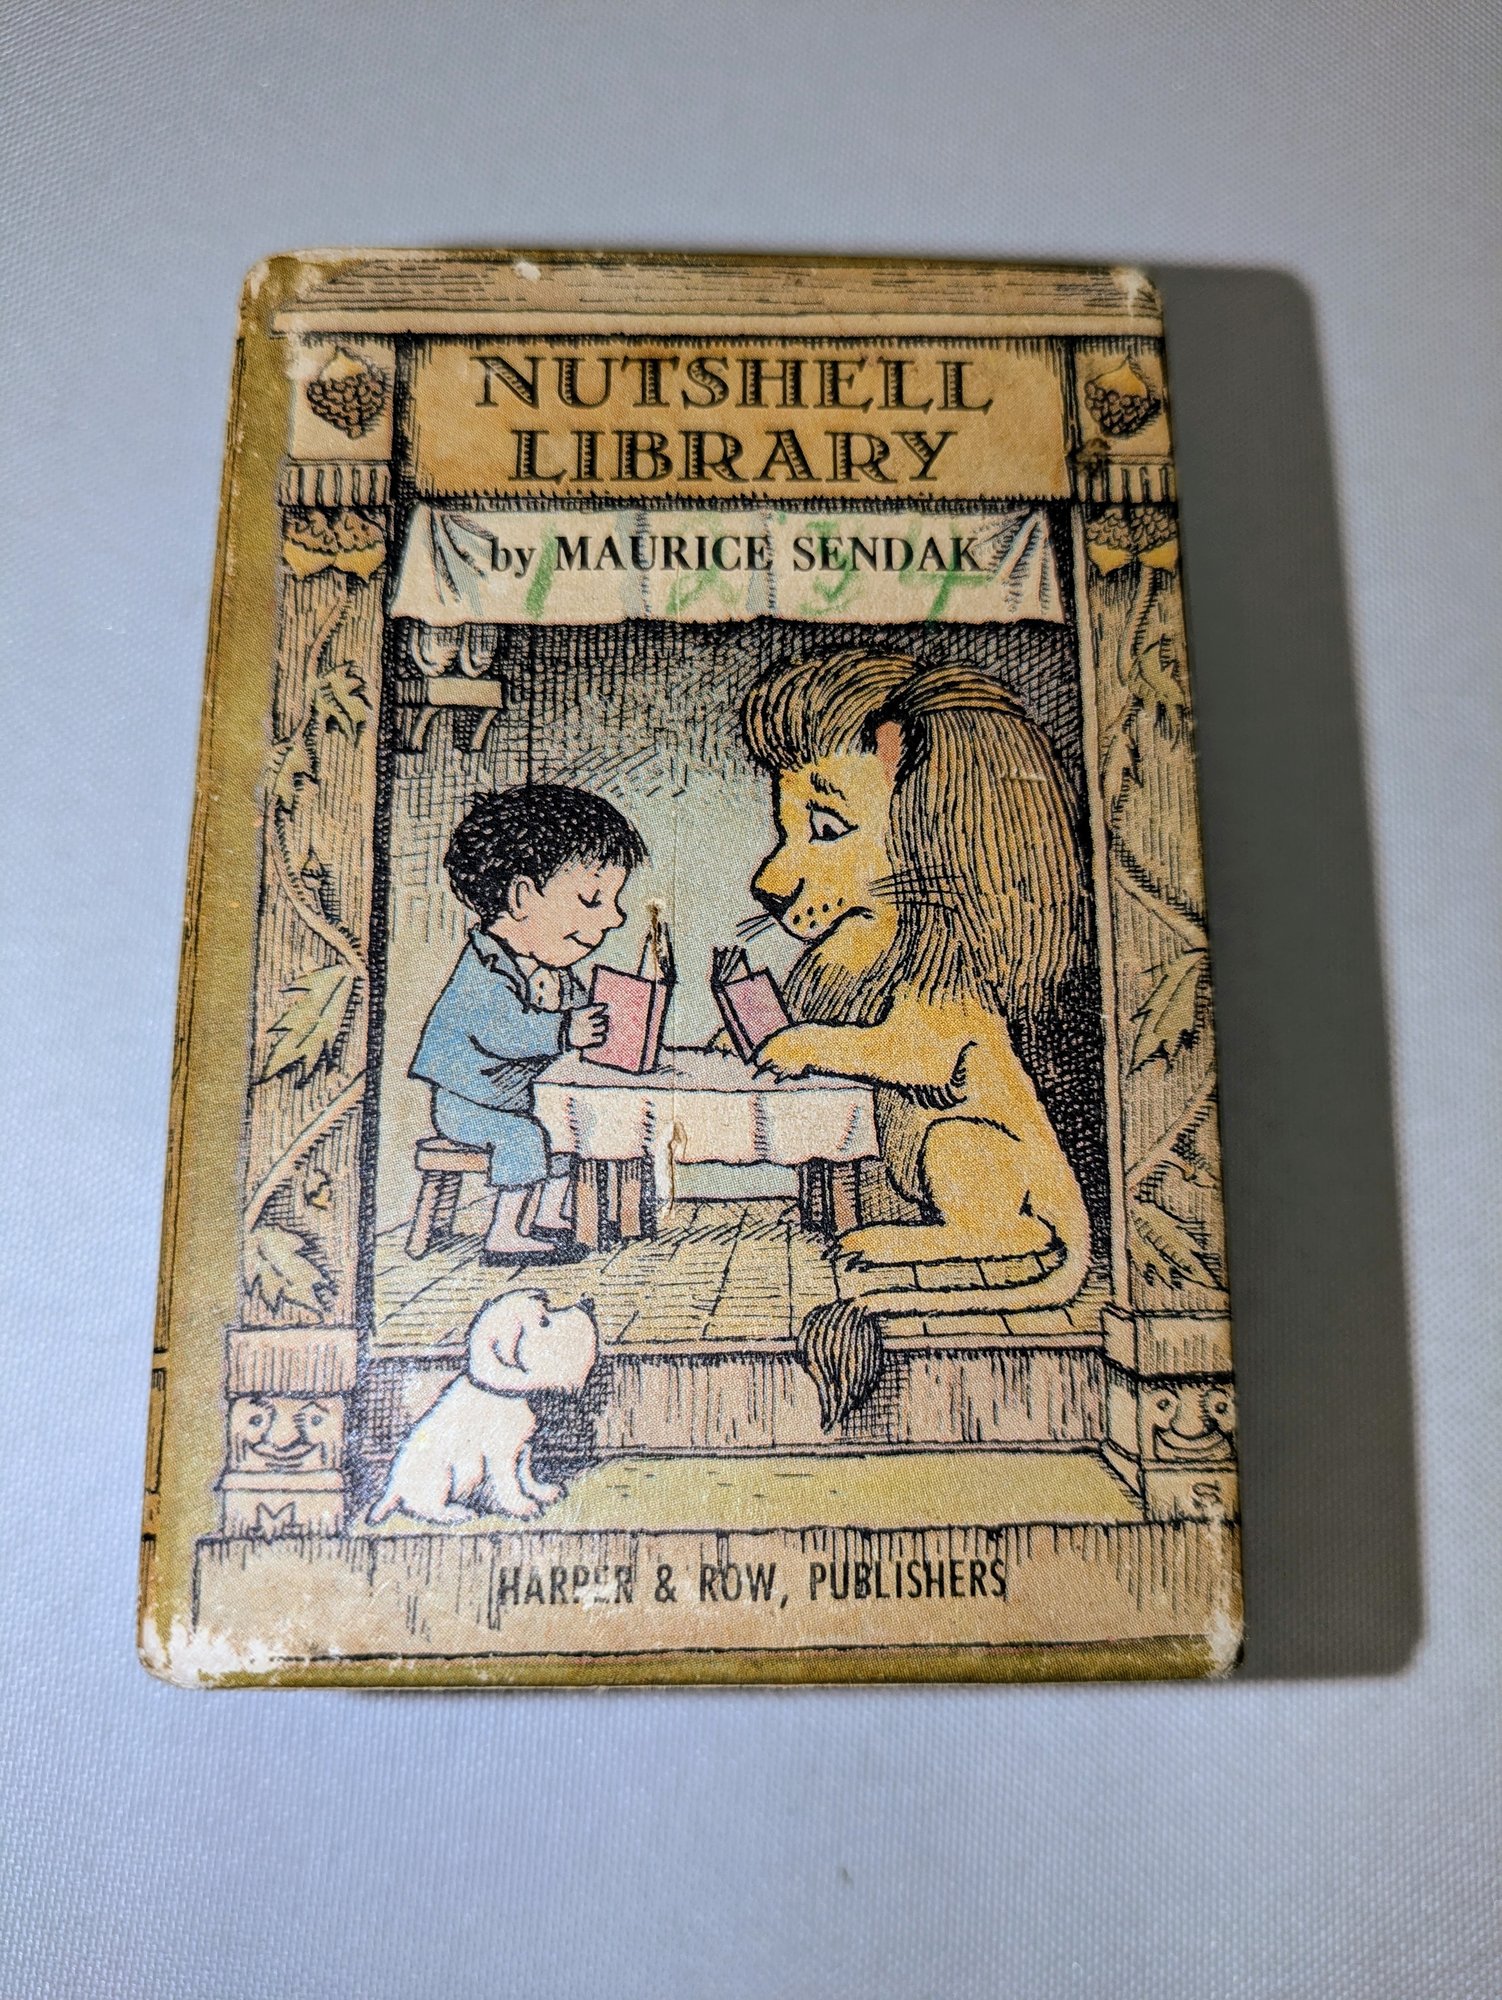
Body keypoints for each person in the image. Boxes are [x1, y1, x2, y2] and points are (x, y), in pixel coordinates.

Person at [411, 784, 647, 1262]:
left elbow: (578, 1009)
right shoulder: (485, 967)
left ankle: (548, 1214)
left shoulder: (550, 969)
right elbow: (500, 1030)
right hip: (469, 1102)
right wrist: (565, 1031)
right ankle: (504, 1233)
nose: (616, 917)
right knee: (524, 1138)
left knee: (565, 1131)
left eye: (614, 900)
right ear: (522, 897)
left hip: (515, 1099)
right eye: (592, 899)